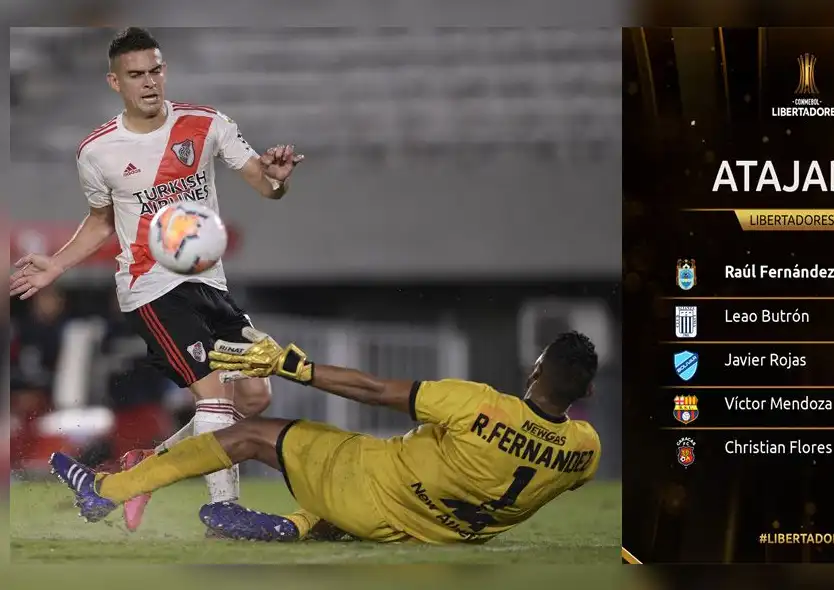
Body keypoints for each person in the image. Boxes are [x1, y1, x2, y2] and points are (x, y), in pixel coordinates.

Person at [9, 27, 304, 534]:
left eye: (155, 71)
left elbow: (264, 183)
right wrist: (56, 265)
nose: (149, 83)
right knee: (212, 397)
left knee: (253, 399)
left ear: (164, 71)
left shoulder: (208, 124)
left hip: (209, 285)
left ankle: (142, 469)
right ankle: (223, 512)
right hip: (151, 289)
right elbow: (101, 220)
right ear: (114, 82)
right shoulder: (97, 152)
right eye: (135, 75)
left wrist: (277, 178)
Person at [50, 329, 603, 545]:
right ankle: (295, 527)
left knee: (249, 435)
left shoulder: (479, 403)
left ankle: (108, 491)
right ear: (588, 390)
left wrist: (296, 367)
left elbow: (372, 389)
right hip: (431, 534)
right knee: (403, 481)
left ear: (534, 371)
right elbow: (543, 462)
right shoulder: (585, 450)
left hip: (368, 487)